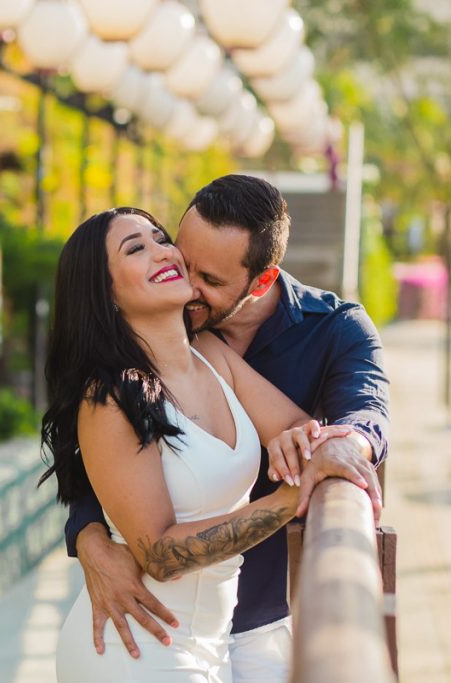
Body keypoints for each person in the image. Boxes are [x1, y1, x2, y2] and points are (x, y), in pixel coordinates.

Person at [65, 175, 390, 683]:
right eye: (173, 250)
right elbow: (91, 457)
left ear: (260, 281)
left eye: (209, 279)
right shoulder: (114, 389)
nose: (185, 278)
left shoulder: (225, 350)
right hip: (147, 640)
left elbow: (346, 420)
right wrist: (87, 534)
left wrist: (333, 444)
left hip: (255, 624)